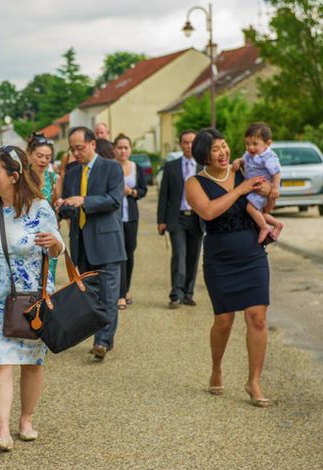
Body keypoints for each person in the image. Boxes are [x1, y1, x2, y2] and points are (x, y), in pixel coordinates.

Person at [0, 145, 64, 452]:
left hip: (33, 300)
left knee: (32, 363)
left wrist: (54, 243)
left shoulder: (40, 208)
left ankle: (26, 420)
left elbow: (58, 249)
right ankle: (2, 431)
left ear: (14, 176)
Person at [185, 128, 273, 408]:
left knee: (257, 317)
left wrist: (269, 190)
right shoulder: (194, 183)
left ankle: (254, 381)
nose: (223, 153)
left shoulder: (244, 169)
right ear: (204, 155)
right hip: (220, 257)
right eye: (216, 149)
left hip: (252, 252)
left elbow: (267, 198)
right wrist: (241, 189)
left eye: (225, 146)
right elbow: (209, 212)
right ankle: (216, 367)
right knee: (224, 320)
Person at [55, 127, 125, 361]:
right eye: (72, 149)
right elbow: (70, 207)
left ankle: (102, 341)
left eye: (80, 148)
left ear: (93, 144)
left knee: (108, 296)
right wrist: (62, 205)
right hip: (81, 243)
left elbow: (114, 200)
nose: (75, 153)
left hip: (107, 244)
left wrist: (84, 200)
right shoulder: (73, 173)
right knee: (90, 298)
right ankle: (101, 336)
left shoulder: (112, 168)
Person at [157, 130, 204, 308]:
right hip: (176, 218)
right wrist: (161, 220)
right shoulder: (171, 166)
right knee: (179, 255)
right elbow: (164, 196)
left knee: (193, 256)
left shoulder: (203, 167)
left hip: (197, 218)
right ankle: (176, 294)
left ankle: (188, 293)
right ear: (180, 144)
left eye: (192, 142)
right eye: (185, 142)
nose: (189, 146)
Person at [113, 134, 147, 309]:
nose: (123, 150)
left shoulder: (136, 167)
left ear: (130, 149)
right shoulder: (110, 167)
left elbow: (143, 189)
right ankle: (120, 294)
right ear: (114, 149)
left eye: (126, 147)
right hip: (114, 217)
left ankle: (126, 289)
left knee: (130, 252)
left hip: (131, 216)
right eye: (120, 147)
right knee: (119, 255)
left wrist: (131, 192)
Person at [241, 122, 283, 244]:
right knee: (260, 213)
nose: (250, 147)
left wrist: (275, 189)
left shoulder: (267, 157)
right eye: (247, 144)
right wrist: (239, 162)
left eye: (255, 144)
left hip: (262, 188)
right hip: (255, 188)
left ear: (268, 143)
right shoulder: (250, 154)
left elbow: (276, 173)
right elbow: (245, 161)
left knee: (250, 208)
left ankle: (265, 228)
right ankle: (277, 224)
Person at [27, 132, 61, 281]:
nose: (43, 160)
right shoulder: (22, 179)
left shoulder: (55, 179)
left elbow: (57, 210)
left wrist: (58, 202)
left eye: (47, 157)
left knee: (47, 280)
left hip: (48, 237)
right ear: (29, 154)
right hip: (26, 236)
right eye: (39, 156)